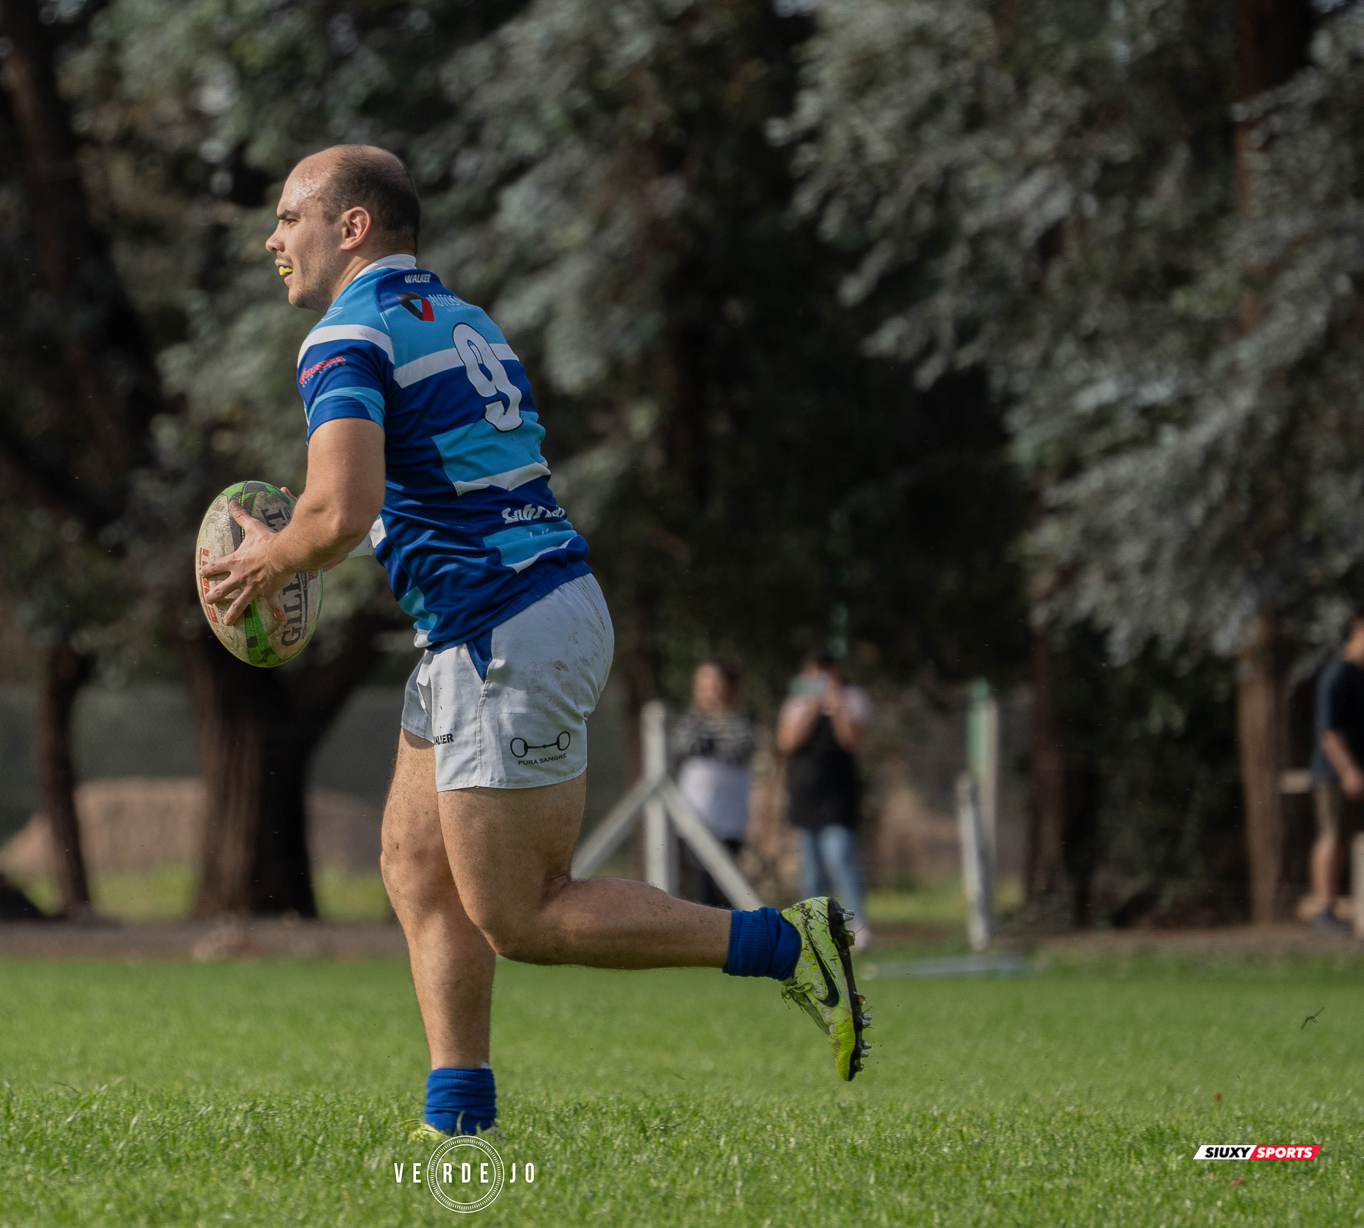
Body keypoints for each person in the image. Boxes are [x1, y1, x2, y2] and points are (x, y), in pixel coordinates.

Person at [198, 145, 873, 1133]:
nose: (274, 238)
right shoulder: (460, 317)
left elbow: (342, 512)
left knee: (521, 914)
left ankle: (795, 945)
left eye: (290, 214)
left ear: (352, 227)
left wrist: (271, 561)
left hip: (499, 630)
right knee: (415, 868)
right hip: (508, 615)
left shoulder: (345, 335)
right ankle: (458, 1118)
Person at [777, 648, 873, 950]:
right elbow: (787, 742)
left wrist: (837, 706)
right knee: (811, 867)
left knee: (839, 857)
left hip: (839, 794)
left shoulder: (853, 698)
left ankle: (858, 924)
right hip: (805, 793)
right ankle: (814, 928)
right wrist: (812, 708)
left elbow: (852, 742)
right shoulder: (797, 703)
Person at [672, 661, 756, 907]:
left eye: (716, 682)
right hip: (695, 811)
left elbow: (739, 749)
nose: (712, 689)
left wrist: (709, 740)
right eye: (705, 683)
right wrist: (709, 738)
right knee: (700, 877)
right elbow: (682, 745)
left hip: (729, 813)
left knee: (724, 875)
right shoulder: (690, 719)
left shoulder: (743, 718)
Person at [1308, 611, 1364, 932]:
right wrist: (1349, 771)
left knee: (1345, 840)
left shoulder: (1360, 675)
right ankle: (1324, 909)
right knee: (1331, 836)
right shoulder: (1338, 675)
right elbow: (1329, 734)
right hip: (1334, 774)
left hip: (1355, 773)